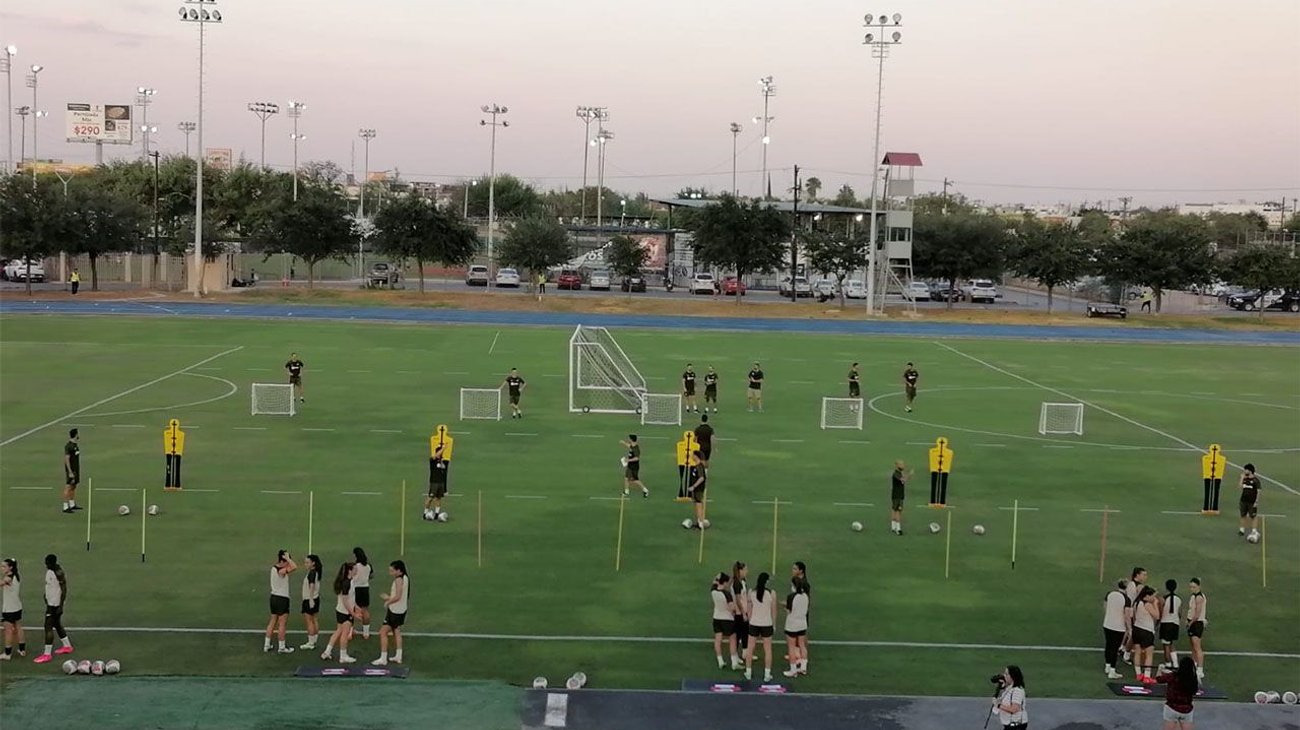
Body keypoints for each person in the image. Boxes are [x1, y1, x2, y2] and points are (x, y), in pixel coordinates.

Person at [32, 554, 73, 664]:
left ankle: (47, 654)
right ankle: (67, 646)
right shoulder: (50, 571)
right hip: (50, 602)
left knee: (48, 626)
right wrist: (46, 595)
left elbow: (64, 589)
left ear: (52, 563)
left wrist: (61, 605)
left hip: (55, 604)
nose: (45, 564)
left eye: (47, 563)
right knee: (57, 624)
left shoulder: (58, 573)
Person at [372, 560, 409, 666]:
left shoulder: (398, 580)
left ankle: (383, 658)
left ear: (399, 571)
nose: (390, 573)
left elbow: (398, 596)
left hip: (395, 611)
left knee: (383, 632)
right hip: (401, 610)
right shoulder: (405, 578)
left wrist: (388, 602)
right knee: (396, 631)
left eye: (392, 571)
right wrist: (388, 597)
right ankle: (398, 656)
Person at [320, 562, 358, 664]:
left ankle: (327, 651)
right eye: (355, 569)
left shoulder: (347, 581)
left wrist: (356, 607)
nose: (357, 570)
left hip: (340, 610)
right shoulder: (347, 583)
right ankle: (343, 656)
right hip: (345, 612)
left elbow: (350, 598)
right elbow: (345, 600)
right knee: (344, 634)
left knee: (339, 631)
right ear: (349, 571)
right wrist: (352, 613)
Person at [744, 571, 777, 682]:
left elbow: (749, 609)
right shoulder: (771, 593)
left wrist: (750, 620)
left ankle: (748, 672)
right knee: (767, 650)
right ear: (766, 581)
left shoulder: (751, 592)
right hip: (767, 624)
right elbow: (774, 611)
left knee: (750, 648)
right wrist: (774, 624)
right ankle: (767, 674)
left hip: (754, 623)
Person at [263, 549, 297, 653]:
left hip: (273, 598)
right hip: (282, 599)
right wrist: (288, 559)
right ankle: (282, 647)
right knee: (282, 623)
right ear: (282, 561)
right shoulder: (280, 570)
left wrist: (287, 559)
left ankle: (267, 644)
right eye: (286, 561)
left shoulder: (273, 568)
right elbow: (294, 567)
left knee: (273, 620)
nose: (288, 564)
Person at [1156, 656, 1199, 729]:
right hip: (1186, 710)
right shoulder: (1193, 679)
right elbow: (1194, 691)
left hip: (1171, 708)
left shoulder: (1173, 676)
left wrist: (1159, 669)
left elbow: (1159, 679)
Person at [1101, 579, 1130, 680]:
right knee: (1115, 648)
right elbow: (1127, 615)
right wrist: (1129, 628)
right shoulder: (1126, 599)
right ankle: (1112, 670)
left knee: (1108, 645)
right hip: (1118, 627)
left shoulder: (1110, 594)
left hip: (1107, 624)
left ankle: (1107, 666)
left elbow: (1105, 607)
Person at [710, 572, 739, 670]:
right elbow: (731, 608)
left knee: (718, 639)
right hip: (727, 619)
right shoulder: (727, 594)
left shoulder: (713, 591)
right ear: (725, 582)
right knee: (732, 639)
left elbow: (714, 582)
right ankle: (734, 662)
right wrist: (735, 609)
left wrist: (718, 576)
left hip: (717, 618)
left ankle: (720, 661)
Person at [781, 577, 809, 677]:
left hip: (792, 625)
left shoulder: (791, 596)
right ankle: (803, 667)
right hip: (802, 624)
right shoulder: (805, 596)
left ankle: (793, 670)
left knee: (791, 647)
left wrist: (784, 606)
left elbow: (789, 610)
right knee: (802, 645)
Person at [1133, 586, 1160, 684]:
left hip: (1136, 629)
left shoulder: (1136, 603)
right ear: (1147, 596)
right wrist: (1155, 604)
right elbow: (1157, 616)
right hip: (1146, 631)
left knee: (1137, 652)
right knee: (1149, 654)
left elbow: (1134, 616)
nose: (1154, 598)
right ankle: (1147, 676)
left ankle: (1138, 674)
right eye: (1153, 596)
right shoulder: (1147, 604)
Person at [1123, 566, 1148, 665]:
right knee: (1133, 633)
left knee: (1130, 632)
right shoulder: (1136, 586)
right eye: (1144, 574)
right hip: (1133, 612)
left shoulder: (1132, 584)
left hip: (1132, 611)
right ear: (1137, 575)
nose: (1145, 577)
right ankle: (1126, 653)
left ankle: (1123, 648)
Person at [1, 558, 25, 660]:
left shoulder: (8, 578)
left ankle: (7, 654)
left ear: (10, 567)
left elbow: (2, 583)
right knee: (18, 627)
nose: (1, 568)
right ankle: (22, 650)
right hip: (17, 607)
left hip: (9, 609)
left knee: (8, 631)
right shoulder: (16, 575)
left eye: (3, 566)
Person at [1158, 579, 1183, 674]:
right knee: (1171, 643)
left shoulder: (1163, 599)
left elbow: (1160, 612)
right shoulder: (1179, 599)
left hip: (1166, 623)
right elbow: (1180, 613)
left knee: (1166, 645)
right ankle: (1175, 664)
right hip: (1175, 623)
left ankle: (1168, 664)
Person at [298, 554, 323, 651]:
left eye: (307, 562)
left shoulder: (312, 573)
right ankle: (314, 639)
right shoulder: (316, 572)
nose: (305, 564)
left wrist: (311, 599)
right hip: (315, 598)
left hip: (309, 599)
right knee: (314, 619)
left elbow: (311, 586)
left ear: (313, 563)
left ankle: (311, 642)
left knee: (309, 621)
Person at [993, 665, 1028, 729]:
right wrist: (1002, 687)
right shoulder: (1010, 688)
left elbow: (1014, 709)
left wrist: (998, 705)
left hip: (1016, 726)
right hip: (1010, 725)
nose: (1004, 676)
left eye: (1006, 674)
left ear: (1012, 676)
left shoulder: (1017, 690)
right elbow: (1004, 698)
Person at [1186, 578, 1207, 680]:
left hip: (1196, 623)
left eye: (1194, 587)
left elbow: (1197, 614)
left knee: (1197, 646)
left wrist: (1190, 623)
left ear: (1199, 586)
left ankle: (1200, 669)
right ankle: (1194, 664)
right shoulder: (1193, 596)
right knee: (1193, 646)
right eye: (1191, 587)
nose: (1192, 589)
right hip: (1193, 622)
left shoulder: (1199, 598)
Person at [350, 547, 373, 640]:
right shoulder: (368, 566)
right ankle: (366, 633)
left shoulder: (355, 566)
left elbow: (351, 576)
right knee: (365, 610)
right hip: (365, 589)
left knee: (352, 610)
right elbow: (371, 575)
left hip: (355, 589)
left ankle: (350, 631)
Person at [426, 442, 450, 521]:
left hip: (441, 483)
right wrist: (444, 448)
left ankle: (436, 515)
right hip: (434, 482)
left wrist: (441, 461)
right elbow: (435, 456)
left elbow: (443, 469)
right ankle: (425, 513)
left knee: (438, 498)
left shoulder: (442, 462)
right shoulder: (432, 460)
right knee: (430, 498)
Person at [731, 561, 749, 661]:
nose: (746, 572)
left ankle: (745, 653)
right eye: (745, 570)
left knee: (745, 632)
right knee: (738, 635)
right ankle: (735, 656)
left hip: (743, 612)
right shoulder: (737, 583)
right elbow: (738, 599)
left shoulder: (742, 581)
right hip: (739, 613)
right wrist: (743, 613)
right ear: (740, 570)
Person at [62, 428, 83, 514]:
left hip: (76, 469)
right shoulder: (69, 446)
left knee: (73, 486)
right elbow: (66, 459)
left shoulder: (75, 445)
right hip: (71, 470)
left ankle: (72, 504)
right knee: (68, 487)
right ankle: (65, 507)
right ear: (75, 435)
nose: (79, 435)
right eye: (78, 433)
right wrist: (70, 472)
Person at [1238, 463, 1261, 537]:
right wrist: (1241, 478)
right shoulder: (1245, 479)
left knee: (1253, 516)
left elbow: (1258, 491)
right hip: (1243, 500)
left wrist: (1256, 501)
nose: (1244, 471)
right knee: (1243, 515)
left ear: (1250, 471)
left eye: (1246, 470)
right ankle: (1242, 529)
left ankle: (1254, 530)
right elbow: (1240, 487)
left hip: (1252, 501)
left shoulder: (1256, 481)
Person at [686, 450, 708, 528]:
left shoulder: (699, 466)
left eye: (693, 455)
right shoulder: (696, 466)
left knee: (698, 504)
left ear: (696, 456)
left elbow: (701, 478)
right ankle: (699, 521)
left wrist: (694, 486)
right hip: (696, 489)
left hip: (698, 489)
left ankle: (700, 522)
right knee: (696, 504)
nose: (692, 456)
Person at [889, 460, 911, 535]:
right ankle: (898, 529)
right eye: (901, 464)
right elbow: (903, 480)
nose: (903, 466)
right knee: (898, 511)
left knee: (894, 510)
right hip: (898, 495)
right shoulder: (896, 474)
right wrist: (910, 475)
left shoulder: (899, 473)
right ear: (897, 465)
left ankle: (893, 527)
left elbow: (903, 480)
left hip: (897, 495)